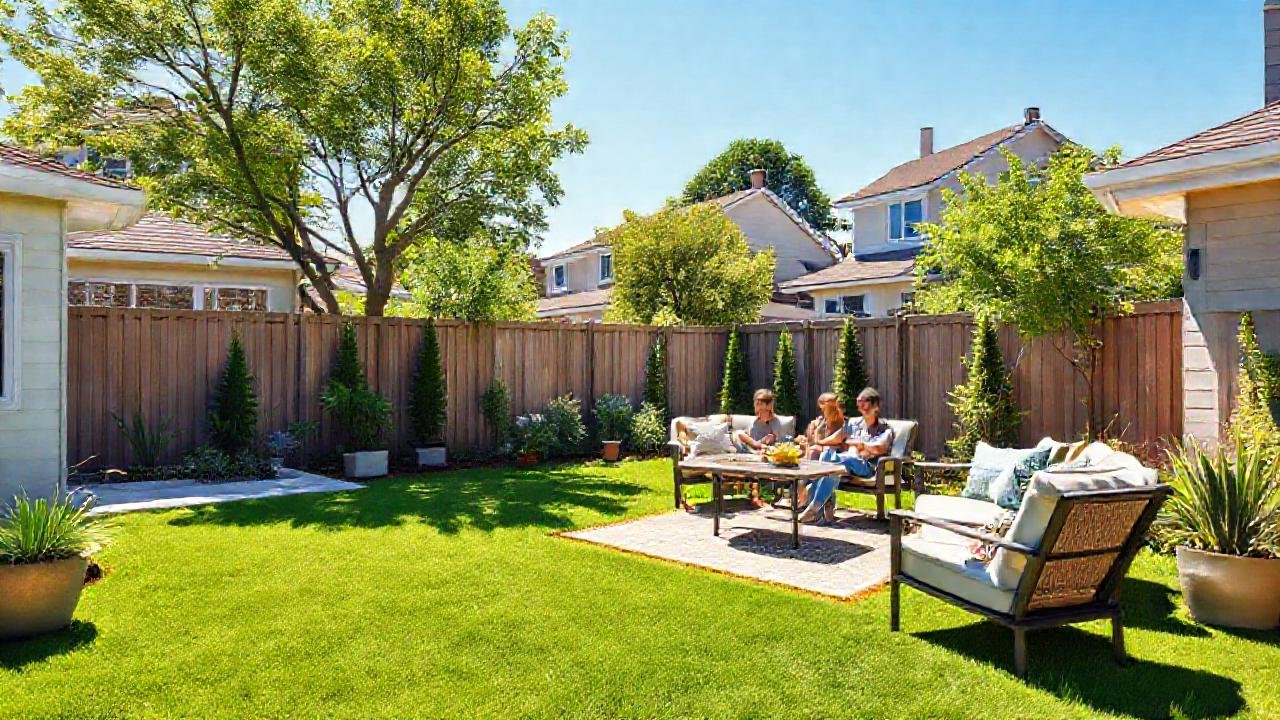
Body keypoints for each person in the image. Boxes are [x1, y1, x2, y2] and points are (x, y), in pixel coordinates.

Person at [799, 387, 895, 525]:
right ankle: (817, 509)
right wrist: (819, 442)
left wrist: (862, 445)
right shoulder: (854, 423)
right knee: (827, 455)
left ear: (875, 406)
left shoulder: (883, 428)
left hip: (868, 466)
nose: (861, 407)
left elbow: (880, 447)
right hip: (846, 463)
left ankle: (815, 506)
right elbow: (838, 437)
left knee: (840, 460)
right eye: (859, 403)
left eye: (865, 403)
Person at [731, 388, 784, 508]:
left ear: (769, 406)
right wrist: (756, 444)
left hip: (767, 452)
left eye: (760, 404)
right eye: (756, 404)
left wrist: (763, 445)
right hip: (751, 449)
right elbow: (747, 437)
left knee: (761, 456)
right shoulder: (754, 421)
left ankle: (759, 497)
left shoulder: (775, 422)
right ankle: (755, 496)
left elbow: (775, 441)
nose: (757, 407)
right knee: (738, 434)